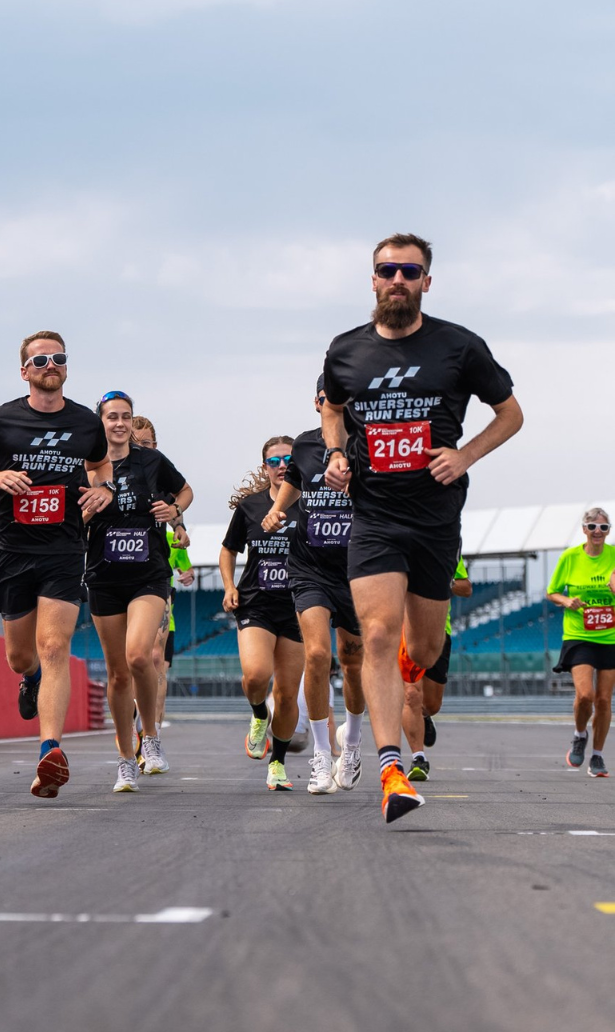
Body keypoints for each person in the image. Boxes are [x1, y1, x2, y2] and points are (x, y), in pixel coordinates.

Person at [322, 232, 523, 822]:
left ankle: (409, 708)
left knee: (425, 647)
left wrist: (465, 456)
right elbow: (333, 406)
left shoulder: (458, 346)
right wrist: (336, 455)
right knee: (378, 635)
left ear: (426, 282)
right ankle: (390, 768)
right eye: (388, 270)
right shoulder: (344, 351)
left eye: (410, 271)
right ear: (374, 279)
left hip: (435, 518)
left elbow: (510, 413)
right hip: (375, 515)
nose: (398, 280)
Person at [0, 331, 113, 799]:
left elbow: (102, 467)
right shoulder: (2, 420)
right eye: (40, 359)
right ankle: (30, 679)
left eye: (58, 358)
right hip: (12, 552)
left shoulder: (85, 422)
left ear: (66, 367)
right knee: (22, 655)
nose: (50, 364)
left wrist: (105, 490)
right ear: (24, 371)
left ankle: (50, 751)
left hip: (63, 549)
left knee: (54, 645)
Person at [85, 392, 193, 793]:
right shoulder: (86, 465)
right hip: (103, 576)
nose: (119, 423)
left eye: (126, 417)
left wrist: (175, 512)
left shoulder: (151, 461)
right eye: (112, 417)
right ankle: (126, 759)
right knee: (116, 674)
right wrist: (86, 510)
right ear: (100, 421)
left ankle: (151, 737)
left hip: (148, 574)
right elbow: (72, 518)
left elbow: (185, 491)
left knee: (139, 656)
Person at [263, 377, 366, 796]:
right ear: (317, 402)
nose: (331, 407)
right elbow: (296, 482)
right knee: (318, 653)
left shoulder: (364, 442)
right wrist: (275, 510)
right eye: (326, 400)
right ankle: (321, 757)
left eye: (340, 402)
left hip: (358, 569)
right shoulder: (305, 445)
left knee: (354, 658)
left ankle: (353, 742)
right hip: (310, 568)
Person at [220, 437, 305, 792]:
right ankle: (258, 715)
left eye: (288, 458)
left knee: (287, 695)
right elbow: (228, 550)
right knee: (256, 676)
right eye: (274, 461)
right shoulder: (251, 507)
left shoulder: (312, 505)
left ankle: (278, 764)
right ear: (265, 467)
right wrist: (228, 586)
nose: (282, 465)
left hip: (299, 607)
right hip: (256, 602)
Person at [131, 415, 194, 756]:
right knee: (130, 661)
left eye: (146, 444)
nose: (140, 449)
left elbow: (178, 517)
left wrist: (180, 529)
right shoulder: (111, 469)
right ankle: (133, 727)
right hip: (118, 576)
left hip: (156, 580)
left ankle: (150, 735)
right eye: (134, 442)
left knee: (156, 657)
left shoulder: (159, 473)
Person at [547, 507, 615, 778]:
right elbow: (552, 592)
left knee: (604, 700)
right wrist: (567, 601)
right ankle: (579, 734)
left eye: (603, 527)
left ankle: (597, 757)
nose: (597, 532)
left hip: (610, 636)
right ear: (584, 529)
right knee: (585, 695)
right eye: (592, 526)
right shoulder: (570, 557)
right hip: (579, 635)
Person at [401, 557, 471, 781]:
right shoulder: (396, 542)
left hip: (438, 631)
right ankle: (418, 758)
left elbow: (466, 587)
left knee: (431, 704)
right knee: (411, 694)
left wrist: (442, 581)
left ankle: (424, 716)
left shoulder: (446, 547)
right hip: (404, 631)